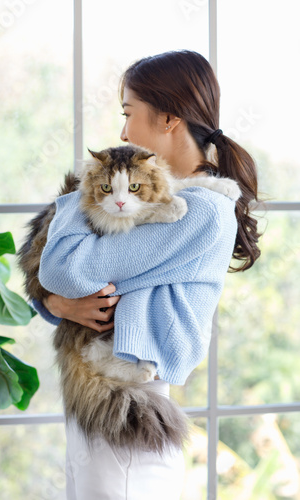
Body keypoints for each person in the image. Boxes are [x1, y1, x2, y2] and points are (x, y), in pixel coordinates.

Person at [33, 50, 261, 500]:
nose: (121, 132)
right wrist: (54, 304)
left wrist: (88, 184)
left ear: (169, 118)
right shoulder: (151, 203)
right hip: (98, 402)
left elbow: (63, 267)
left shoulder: (201, 211)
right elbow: (56, 281)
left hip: (131, 411)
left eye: (128, 113)